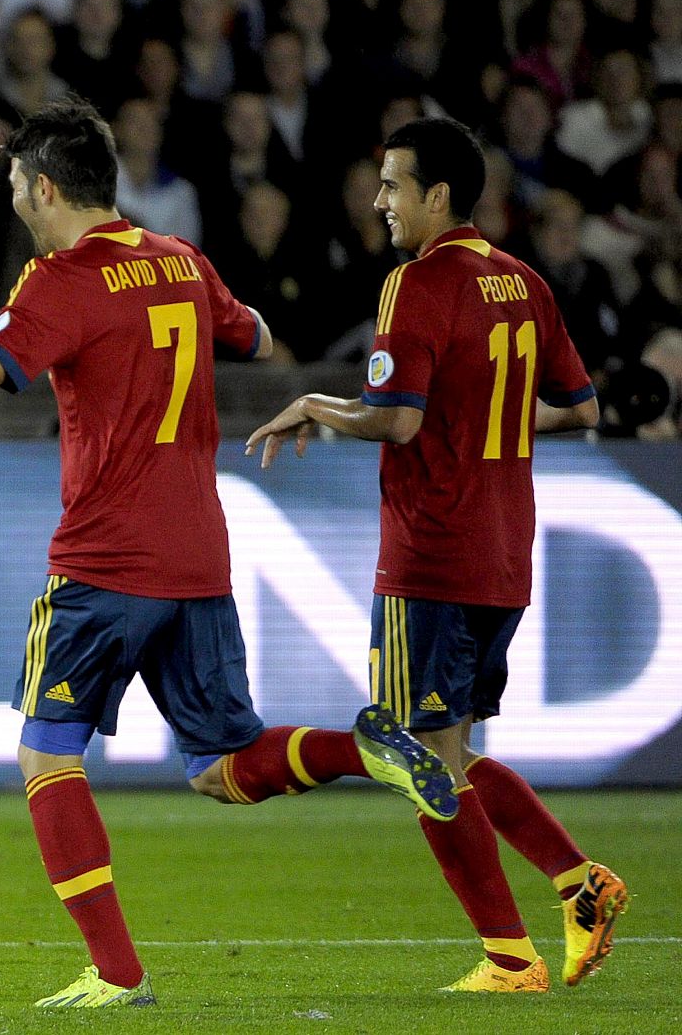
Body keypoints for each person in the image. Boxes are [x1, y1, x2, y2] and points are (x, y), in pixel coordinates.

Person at [0, 98, 461, 1009]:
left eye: (14, 181)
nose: (10, 195)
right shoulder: (176, 259)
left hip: (102, 561)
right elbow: (256, 335)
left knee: (47, 754)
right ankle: (367, 753)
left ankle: (117, 972)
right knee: (224, 765)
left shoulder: (59, 280)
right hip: (198, 555)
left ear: (43, 187)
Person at [246, 117, 627, 993]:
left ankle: (510, 955)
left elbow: (398, 419)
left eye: (392, 185)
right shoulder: (524, 283)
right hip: (503, 554)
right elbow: (579, 408)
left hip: (432, 555)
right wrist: (479, 414)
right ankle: (581, 886)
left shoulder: (414, 284)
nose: (380, 202)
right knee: (450, 756)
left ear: (437, 195)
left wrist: (315, 401)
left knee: (412, 754)